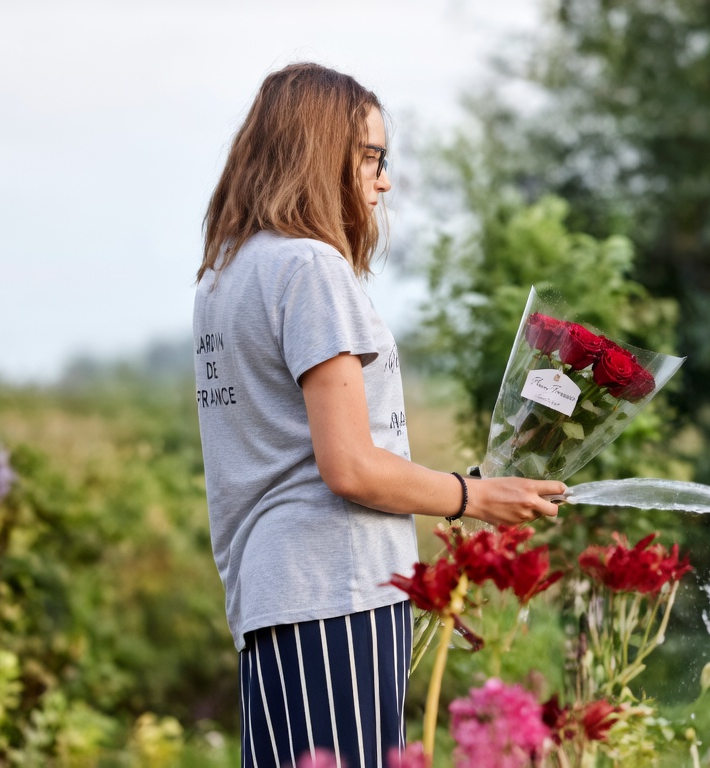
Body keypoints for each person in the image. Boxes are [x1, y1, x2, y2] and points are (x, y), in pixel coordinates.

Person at [193, 62, 565, 768]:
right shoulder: (309, 269)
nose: (383, 181)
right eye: (371, 157)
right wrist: (474, 496)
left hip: (275, 596)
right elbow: (350, 466)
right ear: (320, 152)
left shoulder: (225, 275)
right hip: (334, 590)